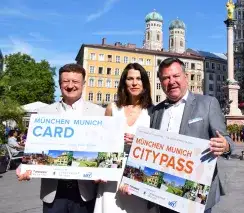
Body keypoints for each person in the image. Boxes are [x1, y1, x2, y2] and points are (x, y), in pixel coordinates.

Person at [16, 63, 105, 213]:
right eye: (66, 81)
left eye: (75, 82)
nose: (70, 86)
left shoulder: (99, 113)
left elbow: (105, 149)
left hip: (85, 192)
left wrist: (104, 170)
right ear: (59, 84)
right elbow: (36, 149)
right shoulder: (44, 113)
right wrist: (26, 167)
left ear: (83, 84)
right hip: (53, 193)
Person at [149, 58, 234, 213]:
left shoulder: (207, 103)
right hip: (164, 191)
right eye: (166, 78)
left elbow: (227, 140)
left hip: (195, 191)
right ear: (161, 82)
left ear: (185, 77)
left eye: (176, 76)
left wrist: (225, 145)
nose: (171, 81)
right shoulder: (156, 111)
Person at [94, 63, 156, 213]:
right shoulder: (112, 108)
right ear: (124, 82)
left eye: (139, 79)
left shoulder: (153, 112)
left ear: (145, 83)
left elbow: (158, 146)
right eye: (130, 79)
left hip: (139, 176)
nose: (134, 83)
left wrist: (139, 142)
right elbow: (102, 143)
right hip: (112, 175)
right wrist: (99, 170)